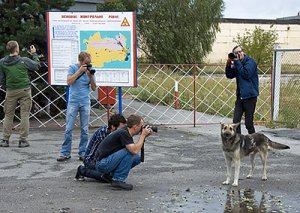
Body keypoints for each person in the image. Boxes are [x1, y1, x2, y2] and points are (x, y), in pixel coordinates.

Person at [94, 114, 153, 190]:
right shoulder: (123, 133)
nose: (143, 128)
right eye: (141, 126)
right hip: (102, 163)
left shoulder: (126, 131)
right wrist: (142, 136)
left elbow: (136, 149)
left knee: (137, 158)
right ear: (135, 127)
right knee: (129, 152)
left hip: (105, 161)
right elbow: (134, 150)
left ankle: (110, 175)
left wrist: (144, 136)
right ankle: (118, 180)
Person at [57, 52, 96, 161]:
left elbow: (94, 88)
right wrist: (79, 71)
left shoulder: (90, 70)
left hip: (85, 101)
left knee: (84, 129)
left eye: (89, 62)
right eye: (86, 62)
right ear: (81, 61)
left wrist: (90, 76)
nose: (89, 64)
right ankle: (65, 152)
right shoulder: (73, 68)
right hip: (73, 101)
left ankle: (83, 152)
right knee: (69, 128)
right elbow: (69, 82)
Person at [0, 41, 40, 148]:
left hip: (11, 90)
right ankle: (23, 140)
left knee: (8, 115)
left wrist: (7, 87)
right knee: (25, 115)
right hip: (24, 90)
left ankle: (5, 139)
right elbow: (36, 66)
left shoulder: (2, 62)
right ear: (17, 49)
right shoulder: (24, 60)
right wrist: (34, 54)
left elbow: (2, 78)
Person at [75, 113, 126, 181]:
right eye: (121, 128)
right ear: (113, 127)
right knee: (108, 177)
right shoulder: (102, 133)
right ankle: (82, 170)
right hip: (91, 161)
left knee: (115, 173)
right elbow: (107, 152)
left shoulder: (116, 134)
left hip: (102, 160)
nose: (123, 130)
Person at [225, 46, 259, 134]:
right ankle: (239, 142)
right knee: (236, 122)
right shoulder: (237, 64)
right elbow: (229, 75)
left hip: (250, 97)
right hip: (240, 97)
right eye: (236, 53)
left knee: (248, 123)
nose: (239, 54)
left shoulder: (250, 62)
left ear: (243, 52)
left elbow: (246, 74)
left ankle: (254, 142)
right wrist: (228, 64)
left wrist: (236, 62)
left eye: (240, 51)